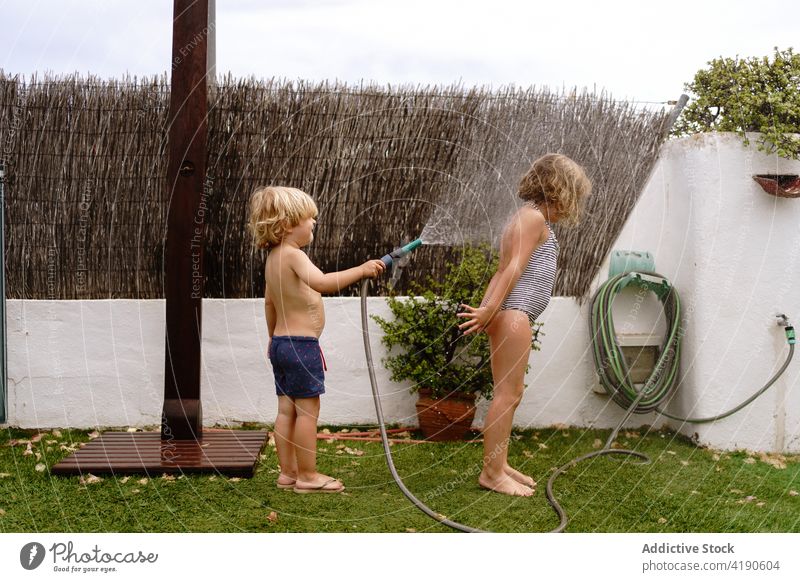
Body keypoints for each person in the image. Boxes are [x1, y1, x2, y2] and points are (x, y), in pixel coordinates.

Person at [457, 154, 592, 497]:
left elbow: (502, 269)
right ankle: (491, 472)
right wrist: (489, 312)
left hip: (512, 315)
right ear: (560, 189)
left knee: (510, 395)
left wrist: (489, 311)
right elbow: (511, 269)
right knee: (508, 394)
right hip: (515, 314)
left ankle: (499, 465)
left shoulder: (528, 217)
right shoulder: (532, 218)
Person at [248, 186, 385, 493]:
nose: (313, 224)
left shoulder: (272, 259)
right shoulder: (294, 255)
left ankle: (288, 473)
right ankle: (308, 477)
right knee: (308, 412)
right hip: (302, 346)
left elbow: (269, 303)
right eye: (308, 219)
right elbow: (322, 283)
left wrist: (272, 339)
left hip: (281, 345)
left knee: (286, 411)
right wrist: (361, 270)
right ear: (287, 225)